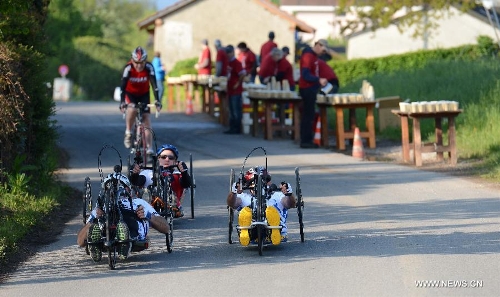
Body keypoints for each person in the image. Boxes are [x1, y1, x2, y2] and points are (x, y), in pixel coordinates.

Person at [77, 173, 169, 262]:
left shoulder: (138, 202)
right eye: (109, 186)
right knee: (97, 225)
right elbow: (80, 242)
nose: (115, 189)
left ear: (128, 189)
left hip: (132, 224)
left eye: (120, 186)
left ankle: (124, 240)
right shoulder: (101, 207)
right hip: (106, 227)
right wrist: (93, 219)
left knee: (128, 223)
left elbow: (166, 228)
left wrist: (148, 215)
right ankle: (95, 244)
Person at [227, 166, 296, 246]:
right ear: (247, 183)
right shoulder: (243, 197)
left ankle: (274, 230)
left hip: (276, 229)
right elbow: (232, 203)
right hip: (252, 231)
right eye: (253, 182)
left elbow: (290, 204)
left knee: (271, 211)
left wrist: (289, 194)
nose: (257, 185)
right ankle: (246, 232)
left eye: (264, 181)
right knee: (246, 212)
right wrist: (233, 193)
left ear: (269, 182)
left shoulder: (278, 195)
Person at [129, 144, 191, 218]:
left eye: (171, 158)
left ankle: (170, 205)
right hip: (148, 203)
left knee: (175, 178)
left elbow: (186, 184)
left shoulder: (177, 174)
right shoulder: (147, 173)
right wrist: (135, 174)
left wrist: (184, 173)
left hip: (171, 205)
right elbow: (137, 182)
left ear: (175, 161)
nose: (167, 159)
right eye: (163, 157)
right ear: (158, 158)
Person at [119, 46, 162, 155]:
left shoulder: (149, 67)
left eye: (141, 63)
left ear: (145, 61)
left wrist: (157, 100)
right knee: (132, 109)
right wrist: (122, 102)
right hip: (130, 94)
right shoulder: (128, 68)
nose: (139, 65)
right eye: (136, 63)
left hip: (144, 94)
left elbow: (154, 85)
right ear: (132, 60)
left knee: (147, 118)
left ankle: (149, 148)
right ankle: (128, 132)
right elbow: (122, 87)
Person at [298, 39, 329, 149]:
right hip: (307, 88)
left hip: (311, 88)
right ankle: (305, 140)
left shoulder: (314, 57)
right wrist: (318, 80)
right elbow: (305, 74)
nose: (322, 53)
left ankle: (307, 139)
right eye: (323, 50)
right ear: (318, 45)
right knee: (308, 115)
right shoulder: (308, 56)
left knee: (310, 114)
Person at [224, 45, 246, 134]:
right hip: (230, 89)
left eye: (229, 52)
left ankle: (237, 128)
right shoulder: (228, 63)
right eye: (227, 53)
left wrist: (237, 83)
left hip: (236, 90)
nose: (228, 54)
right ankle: (232, 127)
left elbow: (242, 74)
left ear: (233, 52)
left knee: (236, 110)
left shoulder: (237, 63)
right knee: (231, 110)